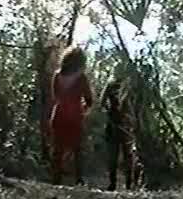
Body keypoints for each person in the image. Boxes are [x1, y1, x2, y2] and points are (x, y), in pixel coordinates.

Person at [49, 46, 93, 186]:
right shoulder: (81, 78)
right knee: (77, 149)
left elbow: (56, 96)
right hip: (75, 116)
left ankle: (56, 179)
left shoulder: (57, 75)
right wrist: (84, 109)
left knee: (58, 148)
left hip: (59, 114)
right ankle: (79, 179)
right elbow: (89, 99)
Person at [101, 75, 137, 191]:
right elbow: (102, 102)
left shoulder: (128, 85)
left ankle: (125, 184)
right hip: (117, 124)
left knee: (123, 154)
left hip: (123, 124)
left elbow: (102, 103)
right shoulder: (113, 84)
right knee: (121, 155)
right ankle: (119, 184)